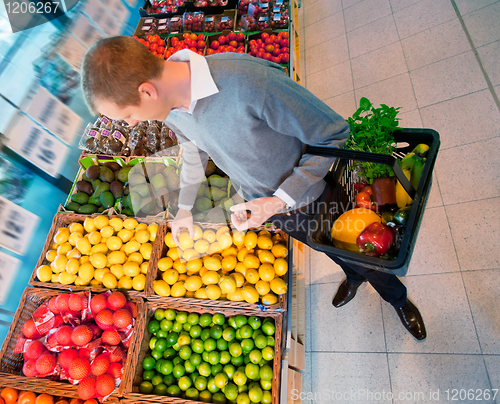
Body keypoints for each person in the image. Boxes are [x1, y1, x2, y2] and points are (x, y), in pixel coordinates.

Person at [81, 36, 426, 340]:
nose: (130, 124)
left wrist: (278, 200)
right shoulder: (169, 106)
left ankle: (397, 298)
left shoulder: (250, 83)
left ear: (146, 91)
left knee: (366, 255)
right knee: (329, 248)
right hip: (276, 211)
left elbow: (334, 134)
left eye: (126, 115)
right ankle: (352, 274)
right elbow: (192, 151)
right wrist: (184, 209)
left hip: (320, 193)